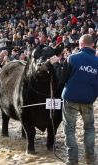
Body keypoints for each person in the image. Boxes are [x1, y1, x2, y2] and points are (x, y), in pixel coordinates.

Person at [61, 34, 98, 165]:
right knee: (89, 128)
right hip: (88, 100)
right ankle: (90, 158)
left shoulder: (72, 58)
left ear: (80, 45)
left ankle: (72, 160)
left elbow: (62, 78)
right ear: (92, 45)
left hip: (70, 98)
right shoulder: (97, 61)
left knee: (70, 129)